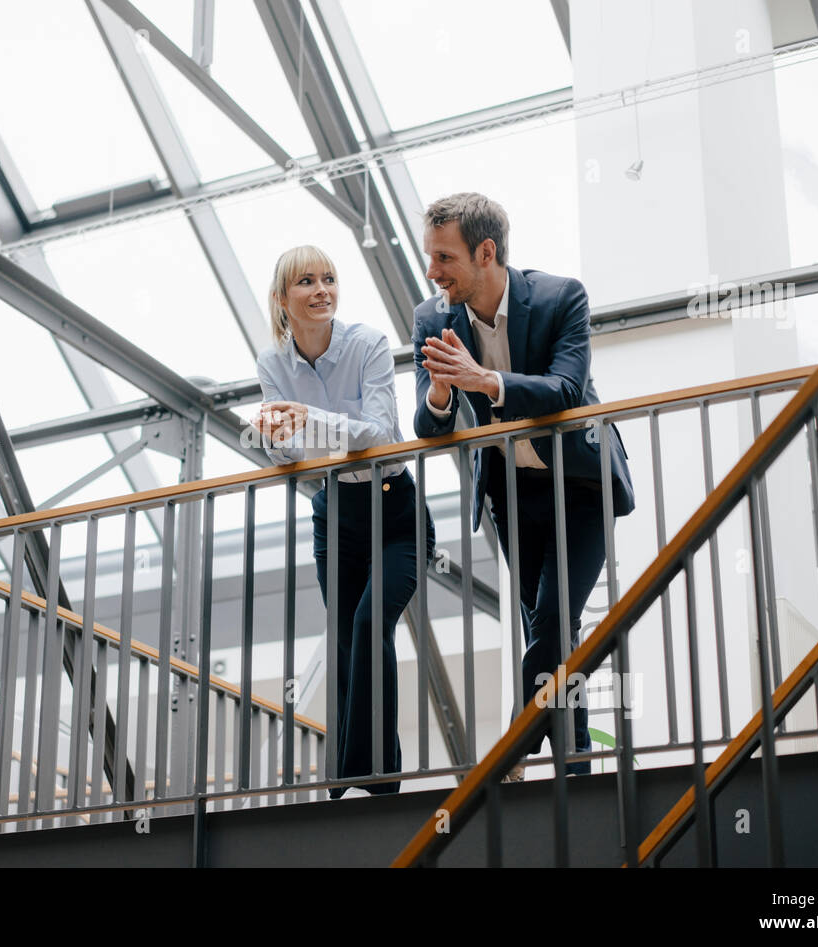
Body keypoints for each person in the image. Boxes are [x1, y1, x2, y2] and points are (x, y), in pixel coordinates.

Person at [412, 193, 635, 779]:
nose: (432, 272)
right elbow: (426, 425)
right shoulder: (432, 318)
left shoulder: (563, 297)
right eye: (429, 256)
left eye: (444, 258)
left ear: (485, 252)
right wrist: (440, 394)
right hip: (513, 493)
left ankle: (517, 736)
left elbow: (565, 390)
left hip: (581, 484)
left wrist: (486, 381)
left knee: (554, 617)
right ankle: (577, 764)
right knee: (554, 627)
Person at [251, 245, 434, 798]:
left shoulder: (368, 344)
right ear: (284, 299)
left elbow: (381, 434)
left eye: (328, 278)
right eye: (306, 281)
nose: (322, 289)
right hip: (335, 513)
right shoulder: (273, 363)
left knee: (367, 625)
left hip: (394, 510)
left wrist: (311, 418)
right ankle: (357, 780)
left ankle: (370, 781)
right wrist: (276, 440)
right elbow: (293, 456)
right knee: (345, 642)